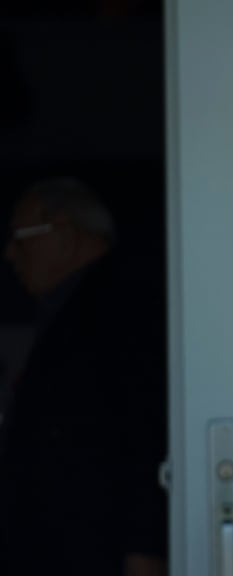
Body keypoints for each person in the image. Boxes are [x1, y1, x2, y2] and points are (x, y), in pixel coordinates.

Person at [0, 177, 167, 576]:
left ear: (64, 233)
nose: (9, 254)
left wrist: (144, 551)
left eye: (20, 239)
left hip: (97, 551)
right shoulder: (77, 308)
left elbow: (141, 434)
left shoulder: (120, 308)